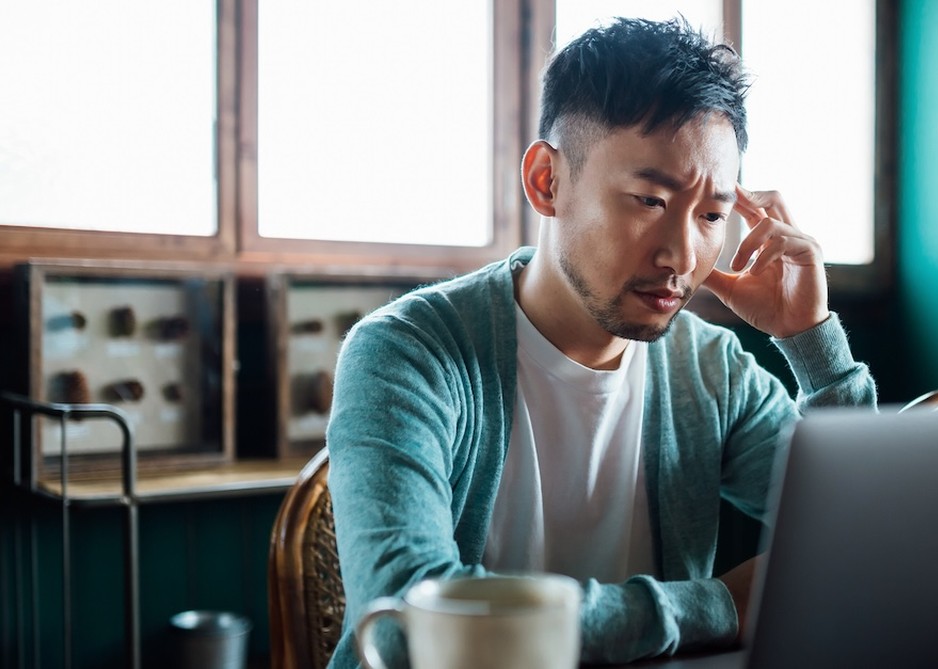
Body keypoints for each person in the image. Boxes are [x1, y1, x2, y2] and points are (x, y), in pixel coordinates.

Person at [324, 17, 877, 667]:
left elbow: (862, 543)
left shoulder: (711, 370)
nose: (681, 254)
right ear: (546, 182)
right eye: (647, 199)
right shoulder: (406, 354)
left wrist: (810, 341)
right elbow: (405, 625)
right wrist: (718, 606)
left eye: (711, 215)